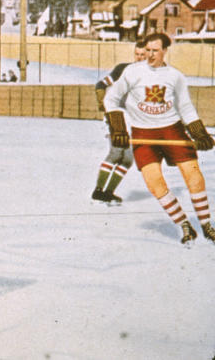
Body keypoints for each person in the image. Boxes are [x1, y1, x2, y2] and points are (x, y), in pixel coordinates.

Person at [104, 33, 215, 244]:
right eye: (147, 50)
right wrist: (118, 128)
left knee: (194, 177)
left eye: (155, 50)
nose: (150, 55)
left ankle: (207, 225)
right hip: (143, 133)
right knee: (154, 183)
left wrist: (199, 133)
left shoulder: (175, 76)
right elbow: (111, 98)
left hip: (171, 129)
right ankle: (184, 224)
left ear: (165, 50)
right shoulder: (133, 72)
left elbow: (185, 107)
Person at [92, 41, 147, 203]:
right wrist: (102, 102)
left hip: (134, 119)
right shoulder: (122, 69)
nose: (140, 58)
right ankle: (98, 192)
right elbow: (100, 84)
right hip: (117, 115)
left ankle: (108, 192)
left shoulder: (152, 74)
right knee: (116, 152)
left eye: (143, 55)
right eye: (137, 54)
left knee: (128, 159)